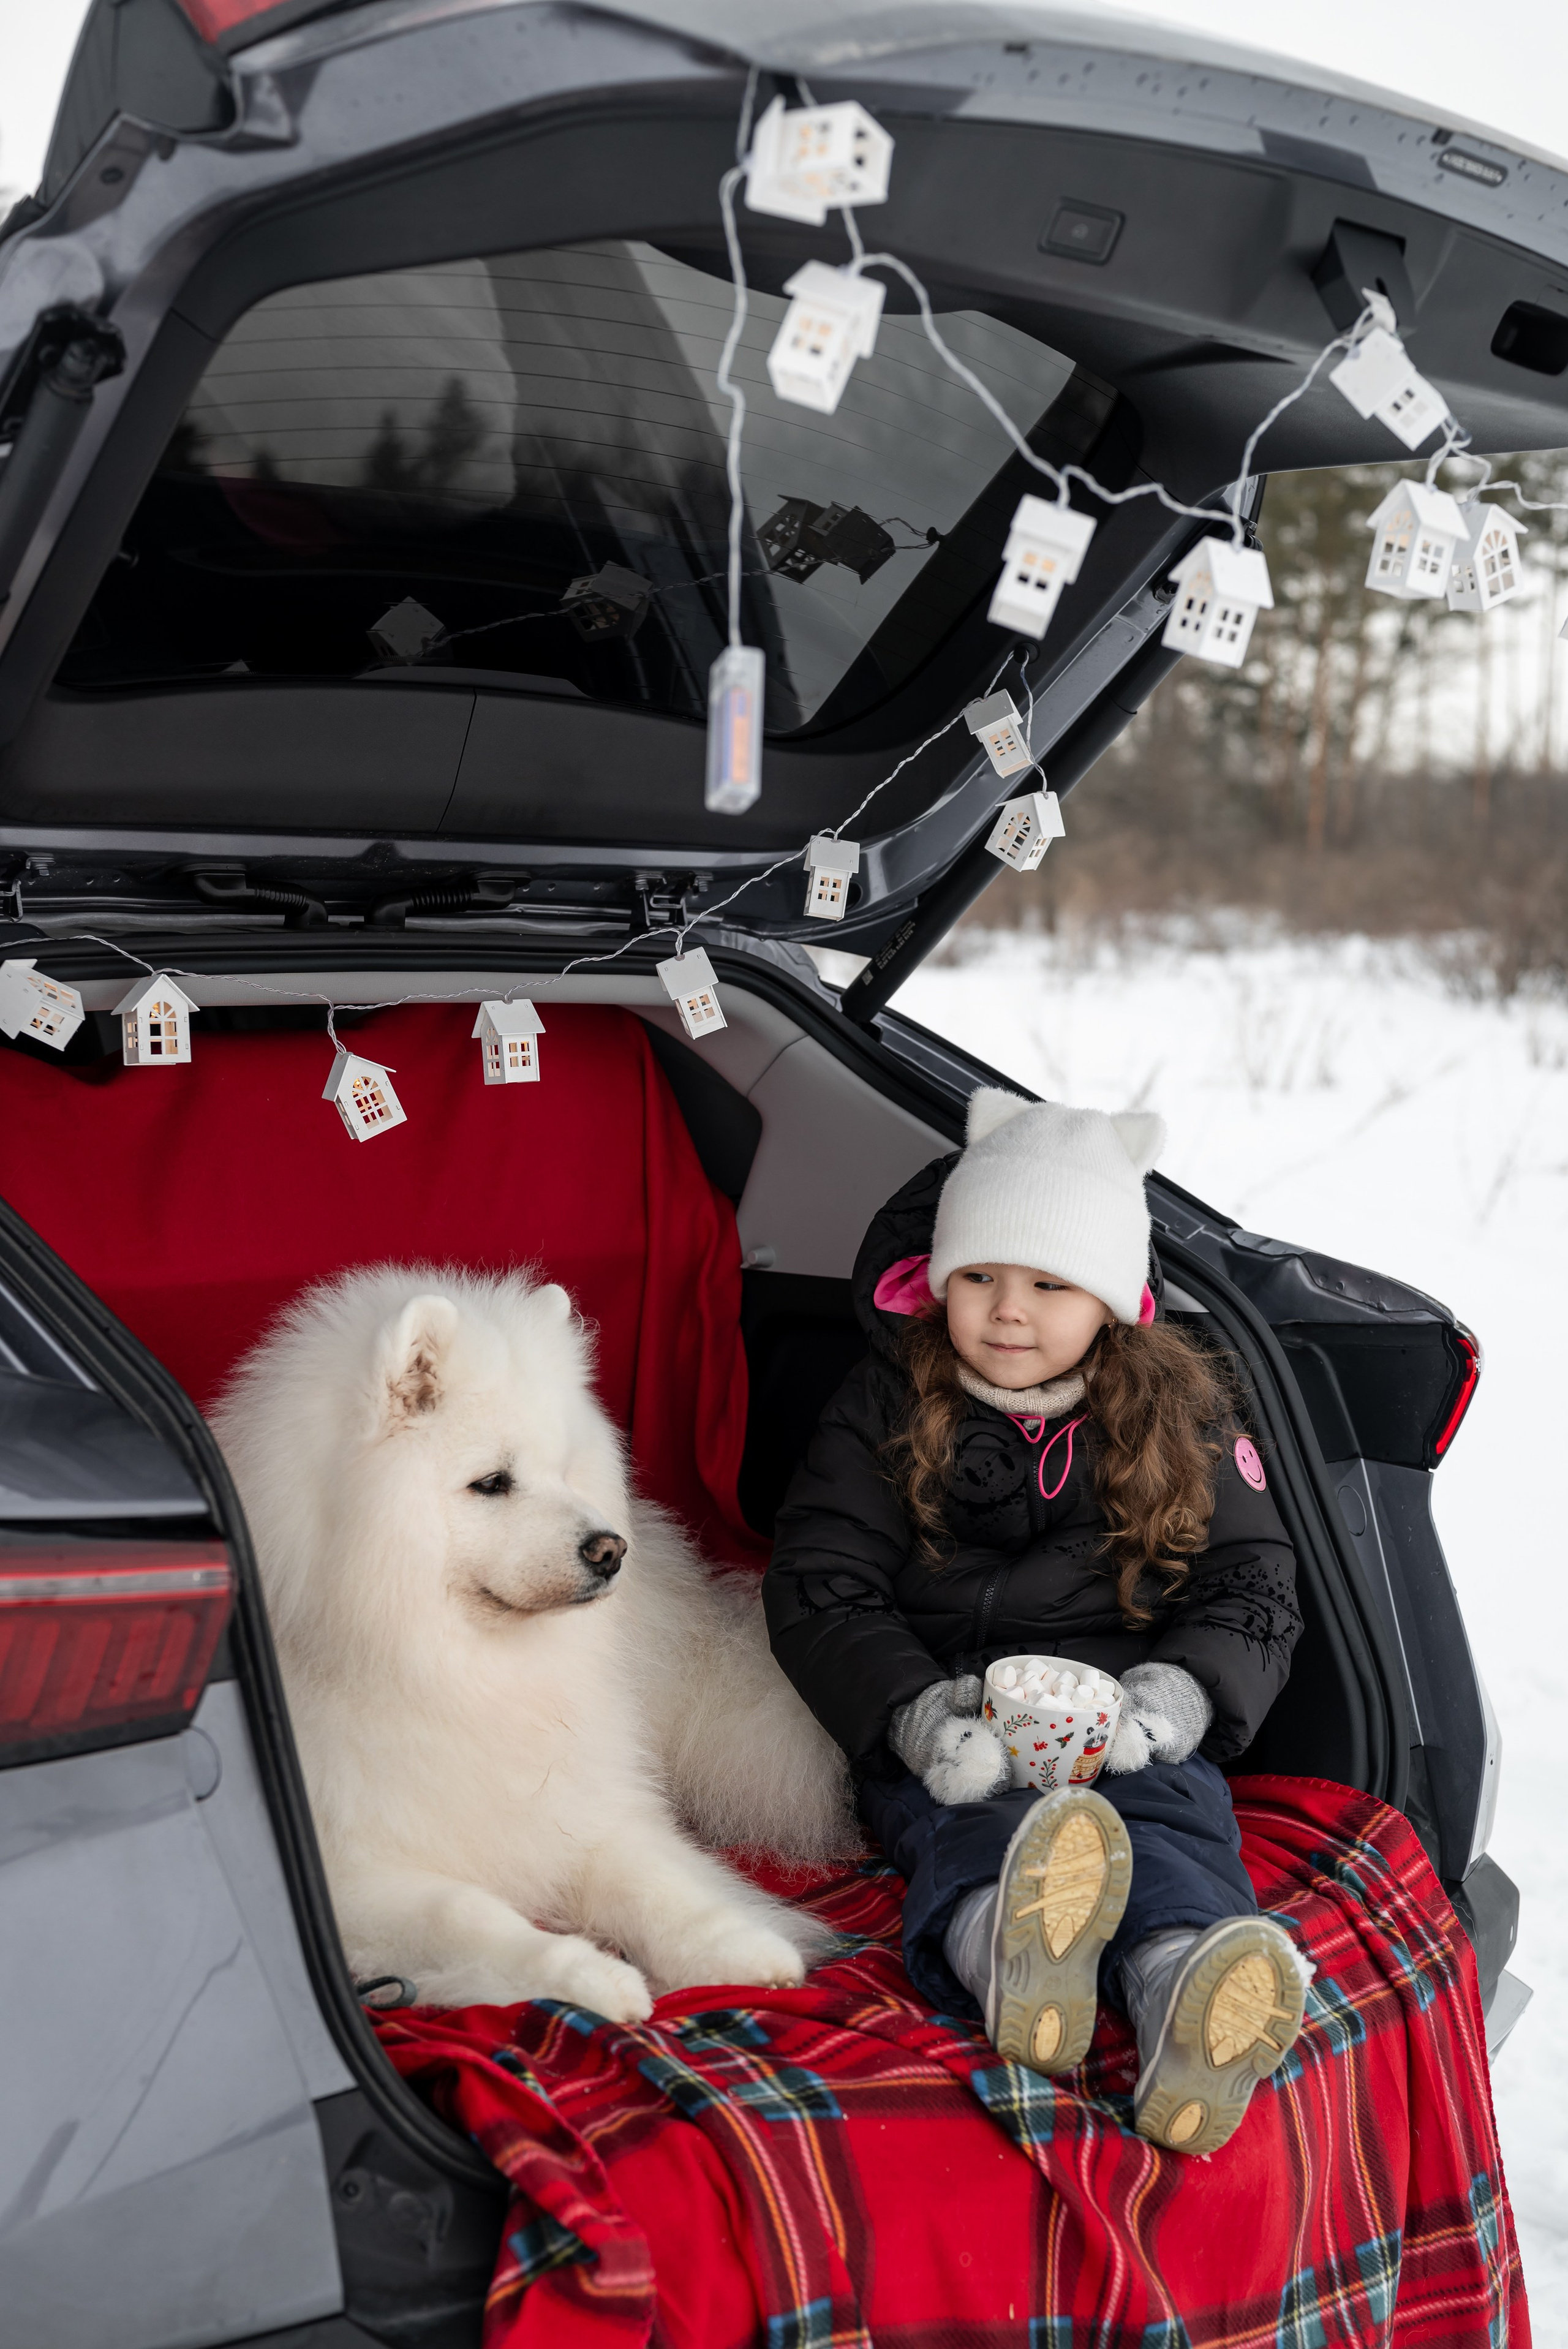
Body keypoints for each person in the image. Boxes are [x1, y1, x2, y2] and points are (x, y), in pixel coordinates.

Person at [763, 1092, 1312, 2154]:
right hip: (952, 1700)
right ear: (938, 1281)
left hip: (1123, 1701)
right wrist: (915, 1714)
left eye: (1049, 1284)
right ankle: (1005, 1954)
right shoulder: (883, 1400)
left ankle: (1180, 1984)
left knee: (1172, 1814)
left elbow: (1253, 1578)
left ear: (1112, 1297)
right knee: (966, 1823)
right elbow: (820, 1579)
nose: (1007, 1311)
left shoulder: (1179, 1411)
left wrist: (1178, 1697)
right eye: (979, 1277)